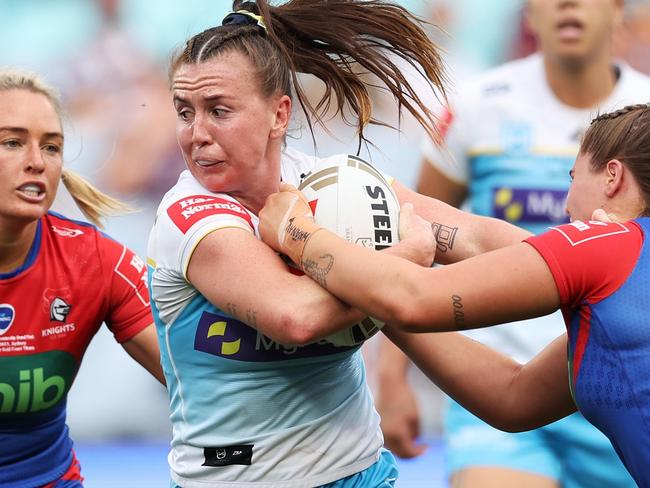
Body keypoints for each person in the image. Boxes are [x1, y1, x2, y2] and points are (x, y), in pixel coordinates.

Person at [144, 1, 539, 486]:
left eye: (219, 111)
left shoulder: (335, 184)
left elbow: (473, 236)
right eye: (185, 112)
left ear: (278, 114)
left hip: (359, 473)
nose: (195, 135)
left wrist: (592, 254)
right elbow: (296, 317)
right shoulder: (188, 215)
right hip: (235, 476)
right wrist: (403, 261)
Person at [258, 102, 650, 487]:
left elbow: (413, 299)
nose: (566, 203)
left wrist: (297, 233)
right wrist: (372, 301)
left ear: (612, 177)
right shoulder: (609, 320)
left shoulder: (607, 244)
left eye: (572, 177)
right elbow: (513, 398)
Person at [379, 0, 650, 486]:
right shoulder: (479, 104)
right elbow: (411, 226)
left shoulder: (643, 113)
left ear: (618, 10)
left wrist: (308, 239)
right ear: (527, 14)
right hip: (504, 385)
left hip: (616, 388)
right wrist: (391, 378)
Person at [0, 68, 165, 487]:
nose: (37, 161)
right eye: (13, 142)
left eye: (52, 147)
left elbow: (196, 381)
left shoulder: (93, 260)